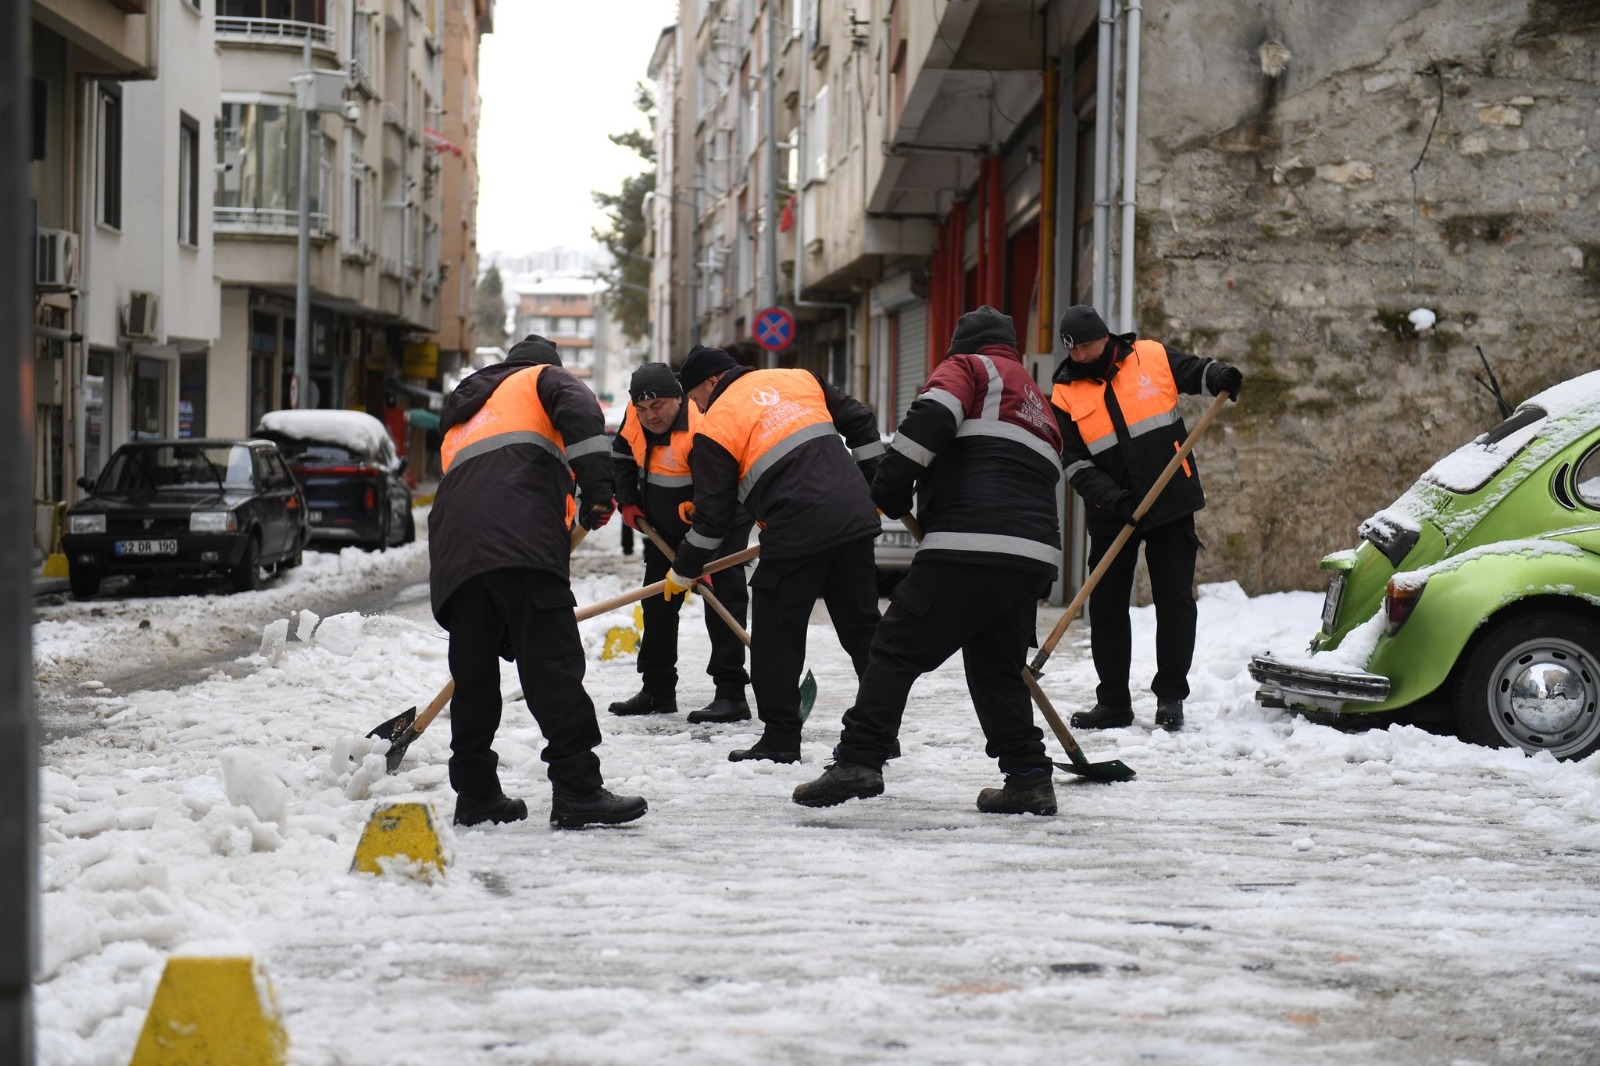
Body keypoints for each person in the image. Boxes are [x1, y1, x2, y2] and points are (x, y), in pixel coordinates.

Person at [792, 306, 1064, 815]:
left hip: (971, 543)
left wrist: (890, 486)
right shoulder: (1036, 400)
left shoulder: (969, 368)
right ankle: (1028, 776)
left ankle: (859, 758)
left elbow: (931, 420)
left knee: (892, 648)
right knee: (997, 670)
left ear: (962, 345)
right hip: (1032, 557)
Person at [428, 334, 648, 829]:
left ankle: (477, 796)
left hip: (455, 554)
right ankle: (578, 791)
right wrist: (597, 489)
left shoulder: (465, 410)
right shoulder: (543, 379)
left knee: (475, 679)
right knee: (552, 668)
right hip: (520, 542)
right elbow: (582, 409)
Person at [665, 344, 885, 764]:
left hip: (796, 528)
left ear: (711, 382)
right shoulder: (799, 378)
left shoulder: (715, 425)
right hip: (852, 517)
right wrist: (875, 486)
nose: (696, 407)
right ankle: (881, 729)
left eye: (694, 398)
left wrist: (683, 568)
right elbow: (860, 421)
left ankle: (780, 740)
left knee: (775, 637)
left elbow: (712, 521)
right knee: (862, 629)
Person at [1048, 305, 1243, 733]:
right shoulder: (1063, 392)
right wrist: (1113, 500)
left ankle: (1171, 696)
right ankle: (1113, 703)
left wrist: (1218, 376)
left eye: (1087, 345)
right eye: (1073, 349)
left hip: (1170, 498)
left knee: (1174, 600)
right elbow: (1074, 462)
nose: (1080, 355)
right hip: (1112, 513)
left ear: (1105, 337)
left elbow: (1194, 371)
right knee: (1106, 606)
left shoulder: (1150, 355)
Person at [608, 361, 754, 723]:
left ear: (680, 398)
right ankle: (657, 690)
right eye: (642, 408)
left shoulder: (704, 428)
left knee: (723, 605)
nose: (649, 416)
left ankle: (731, 693)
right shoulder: (634, 415)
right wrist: (627, 501)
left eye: (657, 406)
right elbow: (622, 455)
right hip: (664, 532)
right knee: (657, 605)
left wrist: (697, 558)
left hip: (718, 527)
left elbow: (718, 499)